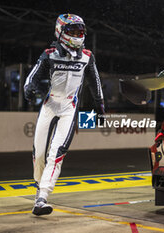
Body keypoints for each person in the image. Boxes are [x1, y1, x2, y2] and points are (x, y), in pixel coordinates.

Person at [24, 13, 105, 216]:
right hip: (49, 105)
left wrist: (100, 104)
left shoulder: (87, 56)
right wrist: (29, 87)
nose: (77, 35)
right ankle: (38, 186)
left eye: (80, 31)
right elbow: (33, 74)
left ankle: (42, 197)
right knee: (39, 153)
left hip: (70, 108)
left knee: (57, 153)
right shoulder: (50, 53)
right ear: (60, 32)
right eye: (72, 31)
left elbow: (95, 81)